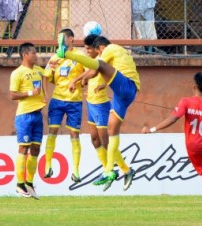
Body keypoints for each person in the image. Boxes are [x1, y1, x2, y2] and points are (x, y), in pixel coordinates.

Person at [56, 34, 140, 188]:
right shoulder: (110, 56)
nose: (90, 52)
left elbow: (97, 69)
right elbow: (100, 71)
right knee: (111, 130)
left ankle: (65, 52)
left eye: (92, 49)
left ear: (100, 48)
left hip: (123, 89)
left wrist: (77, 73)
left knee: (105, 139)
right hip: (121, 94)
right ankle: (122, 171)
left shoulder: (109, 49)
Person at [141, 72, 202, 213]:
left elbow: (173, 119)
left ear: (194, 86)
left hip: (193, 146)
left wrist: (152, 129)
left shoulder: (186, 102)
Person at [43, 28, 85, 183]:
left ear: (71, 39)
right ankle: (48, 166)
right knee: (52, 130)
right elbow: (46, 77)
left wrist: (77, 80)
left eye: (62, 38)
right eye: (58, 38)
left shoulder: (80, 56)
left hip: (75, 101)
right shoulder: (55, 57)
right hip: (57, 100)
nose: (59, 41)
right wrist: (46, 96)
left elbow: (89, 72)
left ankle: (76, 171)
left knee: (74, 134)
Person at [10, 42, 47, 199]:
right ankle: (19, 184)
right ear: (25, 55)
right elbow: (12, 95)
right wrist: (31, 93)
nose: (36, 55)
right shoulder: (17, 73)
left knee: (36, 150)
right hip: (24, 116)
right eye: (33, 53)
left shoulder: (39, 70)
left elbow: (51, 74)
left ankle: (29, 183)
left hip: (38, 115)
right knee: (23, 148)